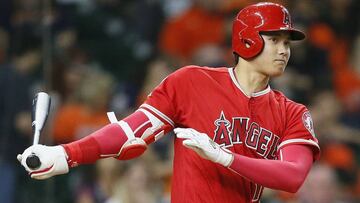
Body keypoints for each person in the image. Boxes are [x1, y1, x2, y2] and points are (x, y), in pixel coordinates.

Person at [18, 2, 320, 203]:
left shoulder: (293, 112)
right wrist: (65, 154)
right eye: (275, 40)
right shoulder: (191, 81)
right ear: (248, 39)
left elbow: (293, 176)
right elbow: (130, 132)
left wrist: (225, 158)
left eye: (287, 43)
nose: (284, 50)